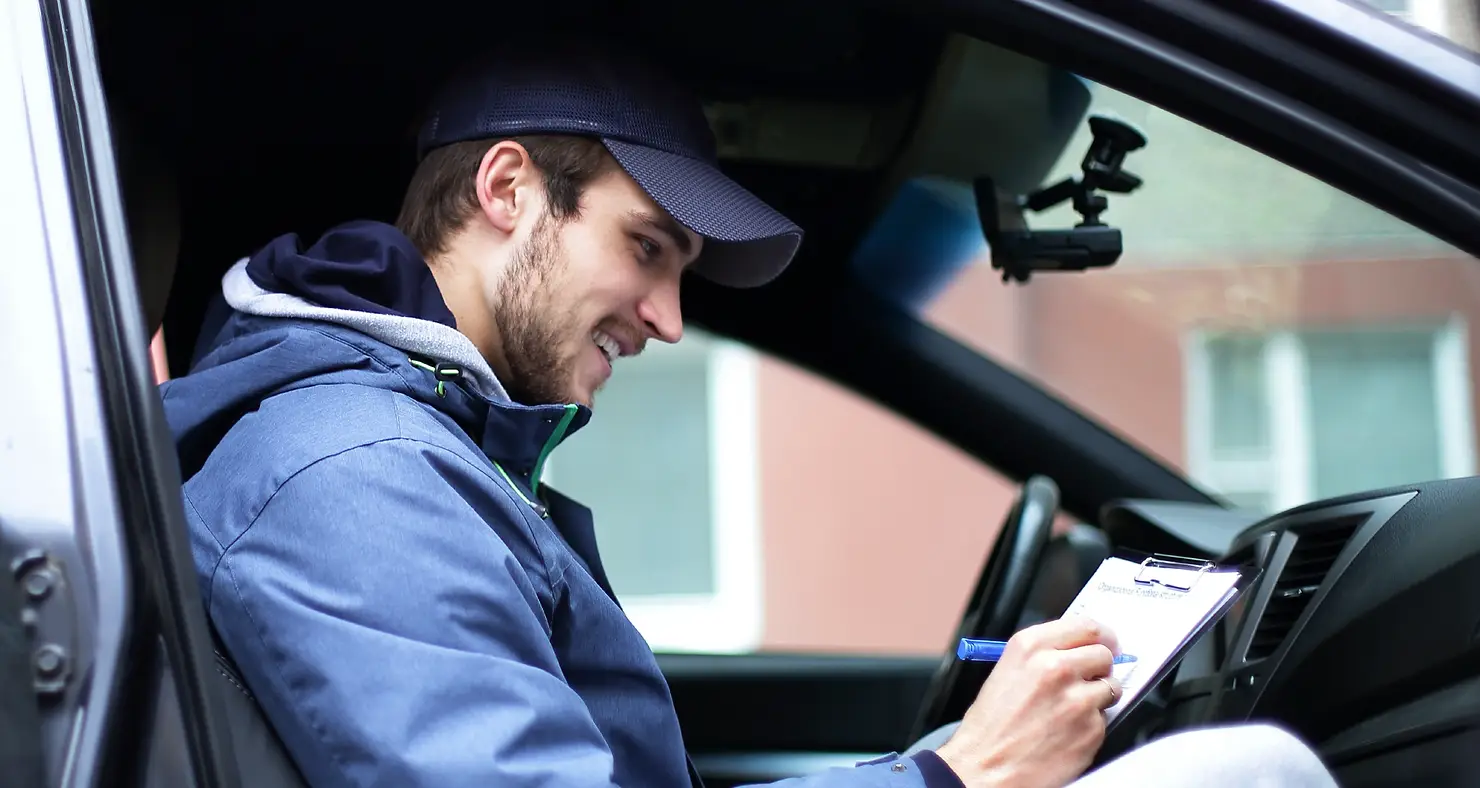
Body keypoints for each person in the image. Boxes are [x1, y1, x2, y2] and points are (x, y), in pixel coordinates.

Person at [158, 44, 1338, 788]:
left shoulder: (423, 454)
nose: (669, 319)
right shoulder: (349, 476)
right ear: (507, 188)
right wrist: (955, 772)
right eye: (648, 249)